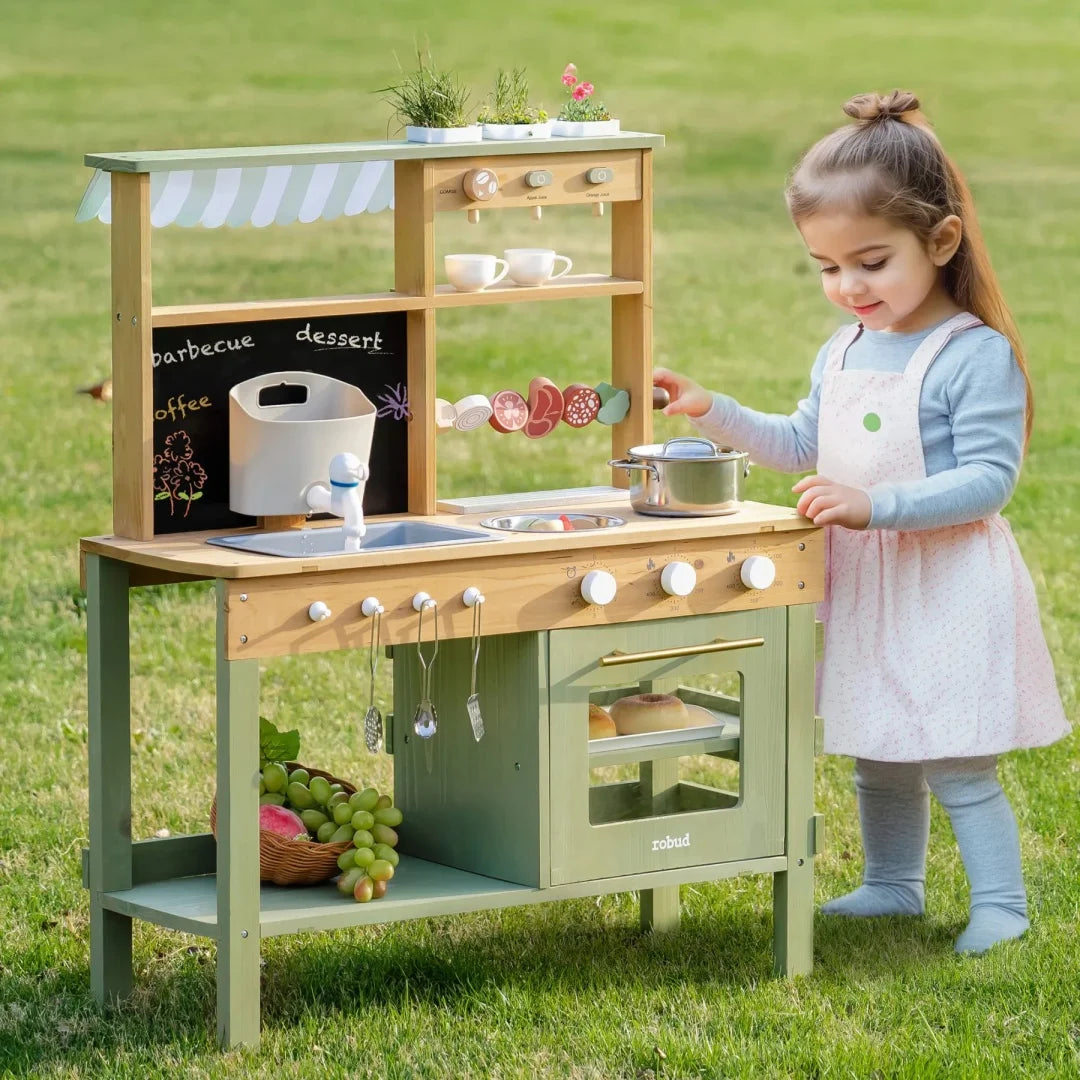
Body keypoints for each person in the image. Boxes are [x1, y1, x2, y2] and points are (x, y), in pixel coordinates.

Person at [654, 90, 1071, 955]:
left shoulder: (972, 353)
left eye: (871, 263)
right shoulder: (841, 347)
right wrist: (710, 410)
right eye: (827, 266)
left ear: (942, 242)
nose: (848, 286)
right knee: (877, 747)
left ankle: (1003, 903)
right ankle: (892, 884)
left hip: (946, 583)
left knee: (953, 754)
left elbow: (990, 482)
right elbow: (800, 440)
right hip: (870, 584)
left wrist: (874, 506)